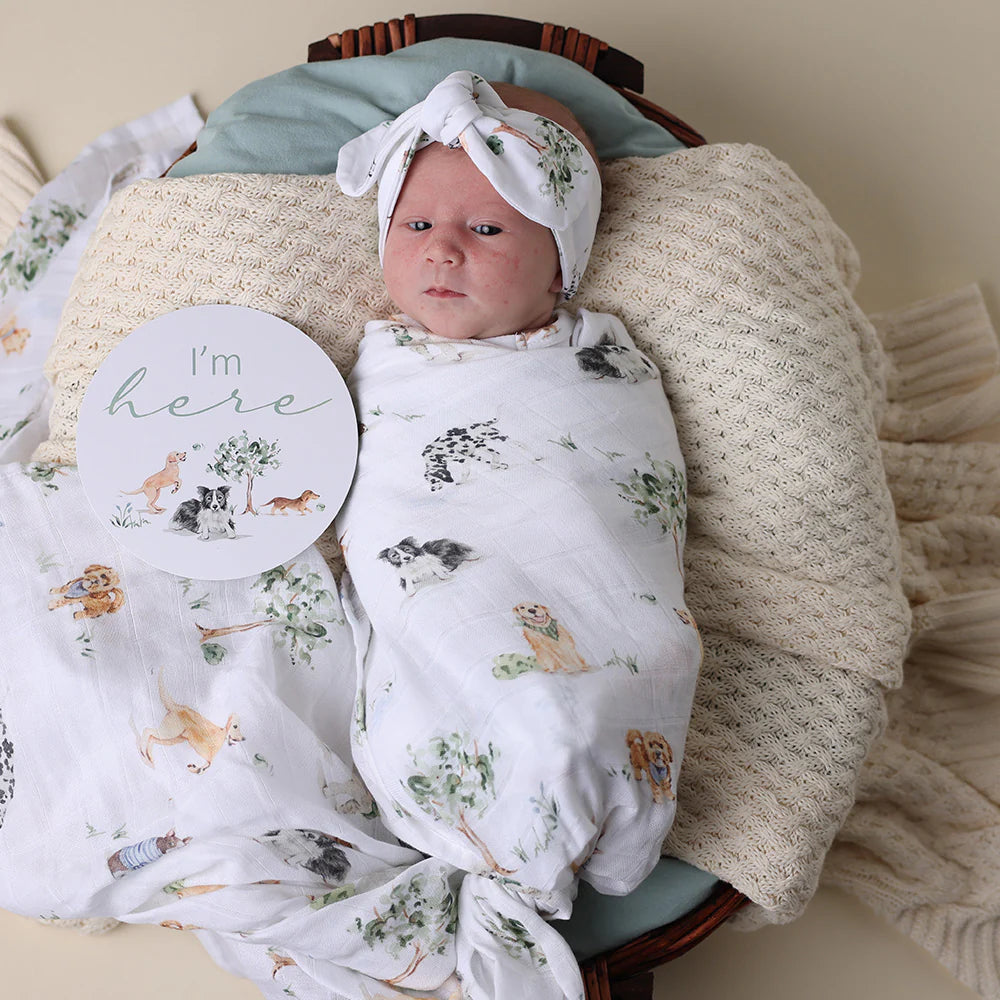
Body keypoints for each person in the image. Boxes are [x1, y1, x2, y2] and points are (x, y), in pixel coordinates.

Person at [333, 71, 701, 997]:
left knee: (587, 694)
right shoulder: (379, 362)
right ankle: (498, 830)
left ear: (560, 263)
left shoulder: (602, 363)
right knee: (472, 672)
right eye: (417, 225)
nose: (442, 249)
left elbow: (625, 496)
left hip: (574, 588)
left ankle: (567, 805)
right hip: (439, 585)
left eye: (488, 229)